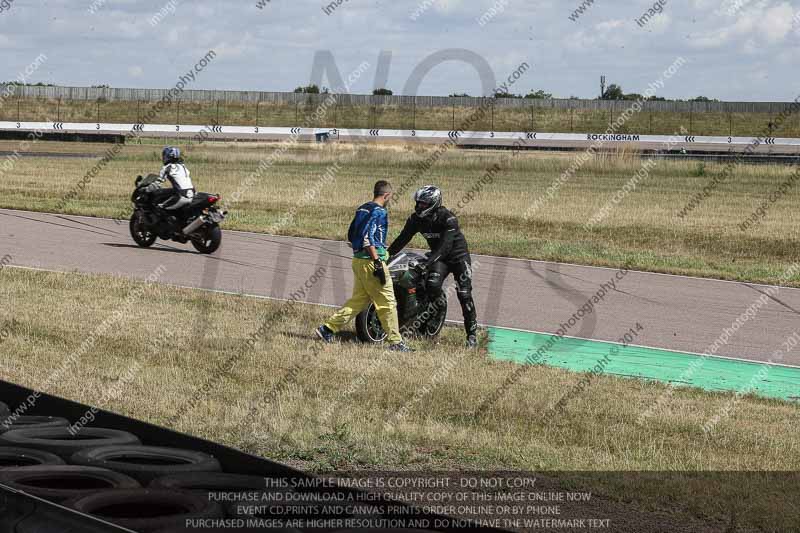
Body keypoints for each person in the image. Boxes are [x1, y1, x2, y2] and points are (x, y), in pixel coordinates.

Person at [316, 180, 413, 352]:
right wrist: (376, 260)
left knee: (359, 301)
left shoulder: (363, 208)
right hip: (371, 261)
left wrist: (358, 248)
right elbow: (368, 237)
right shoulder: (379, 211)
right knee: (388, 302)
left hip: (358, 260)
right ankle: (395, 342)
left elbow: (352, 233)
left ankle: (327, 328)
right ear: (387, 195)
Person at [388, 185, 478, 348]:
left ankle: (471, 335)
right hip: (439, 258)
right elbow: (402, 238)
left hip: (457, 258)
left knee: (464, 294)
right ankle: (433, 313)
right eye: (418, 203)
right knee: (431, 285)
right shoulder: (416, 219)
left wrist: (427, 264)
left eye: (423, 204)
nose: (419, 206)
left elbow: (445, 246)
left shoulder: (448, 218)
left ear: (434, 203)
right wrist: (386, 255)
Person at [145, 146, 195, 212]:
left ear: (168, 156)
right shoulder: (183, 166)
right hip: (192, 193)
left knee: (159, 208)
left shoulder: (167, 168)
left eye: (164, 155)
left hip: (181, 196)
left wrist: (147, 189)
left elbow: (158, 184)